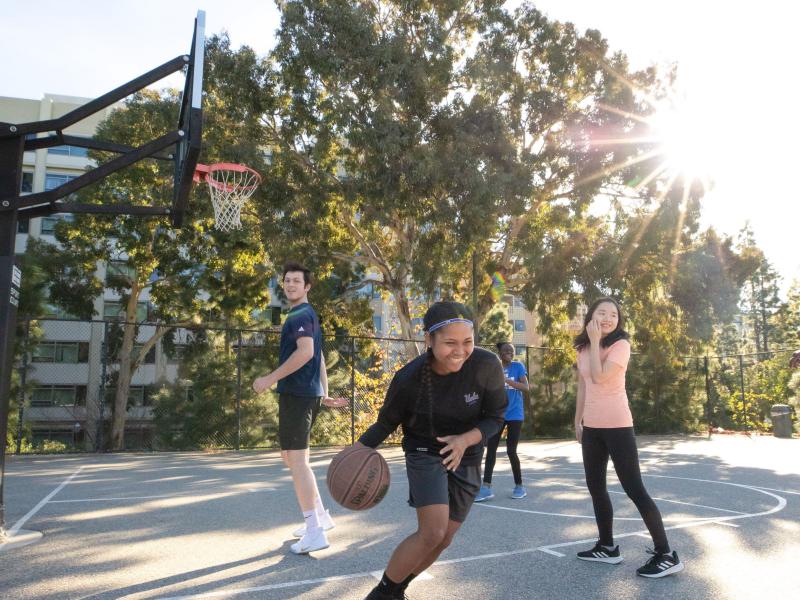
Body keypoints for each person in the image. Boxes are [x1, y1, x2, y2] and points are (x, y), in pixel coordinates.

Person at [358, 302, 507, 600]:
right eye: (450, 342)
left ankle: (398, 589)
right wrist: (357, 453)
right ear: (429, 340)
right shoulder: (409, 379)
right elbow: (386, 422)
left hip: (468, 452)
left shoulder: (487, 364)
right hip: (424, 448)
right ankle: (382, 594)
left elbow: (495, 417)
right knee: (432, 532)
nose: (460, 350)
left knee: (444, 539)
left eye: (467, 342)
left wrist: (465, 440)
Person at [573, 297, 684, 578]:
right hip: (593, 428)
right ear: (591, 316)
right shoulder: (583, 347)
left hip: (618, 426)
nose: (609, 318)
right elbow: (584, 386)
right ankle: (607, 547)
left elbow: (599, 378)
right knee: (596, 487)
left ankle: (666, 554)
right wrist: (578, 420)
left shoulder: (621, 345)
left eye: (613, 314)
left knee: (635, 489)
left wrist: (597, 339)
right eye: (602, 313)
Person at [253, 262, 336, 555]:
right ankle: (321, 517)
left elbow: (308, 353)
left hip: (298, 394)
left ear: (307, 286)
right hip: (303, 394)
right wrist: (323, 391)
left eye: (296, 281)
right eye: (287, 281)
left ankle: (314, 530)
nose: (289, 285)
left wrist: (268, 379)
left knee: (297, 463)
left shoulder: (301, 313)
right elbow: (320, 358)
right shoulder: (305, 314)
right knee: (291, 458)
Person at [475, 342, 529, 501]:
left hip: (515, 415)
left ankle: (519, 486)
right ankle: (486, 487)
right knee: (491, 449)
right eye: (506, 350)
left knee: (511, 450)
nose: (509, 353)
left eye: (511, 351)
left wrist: (505, 380)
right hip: (498, 415)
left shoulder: (518, 366)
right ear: (499, 352)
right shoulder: (494, 368)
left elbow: (525, 387)